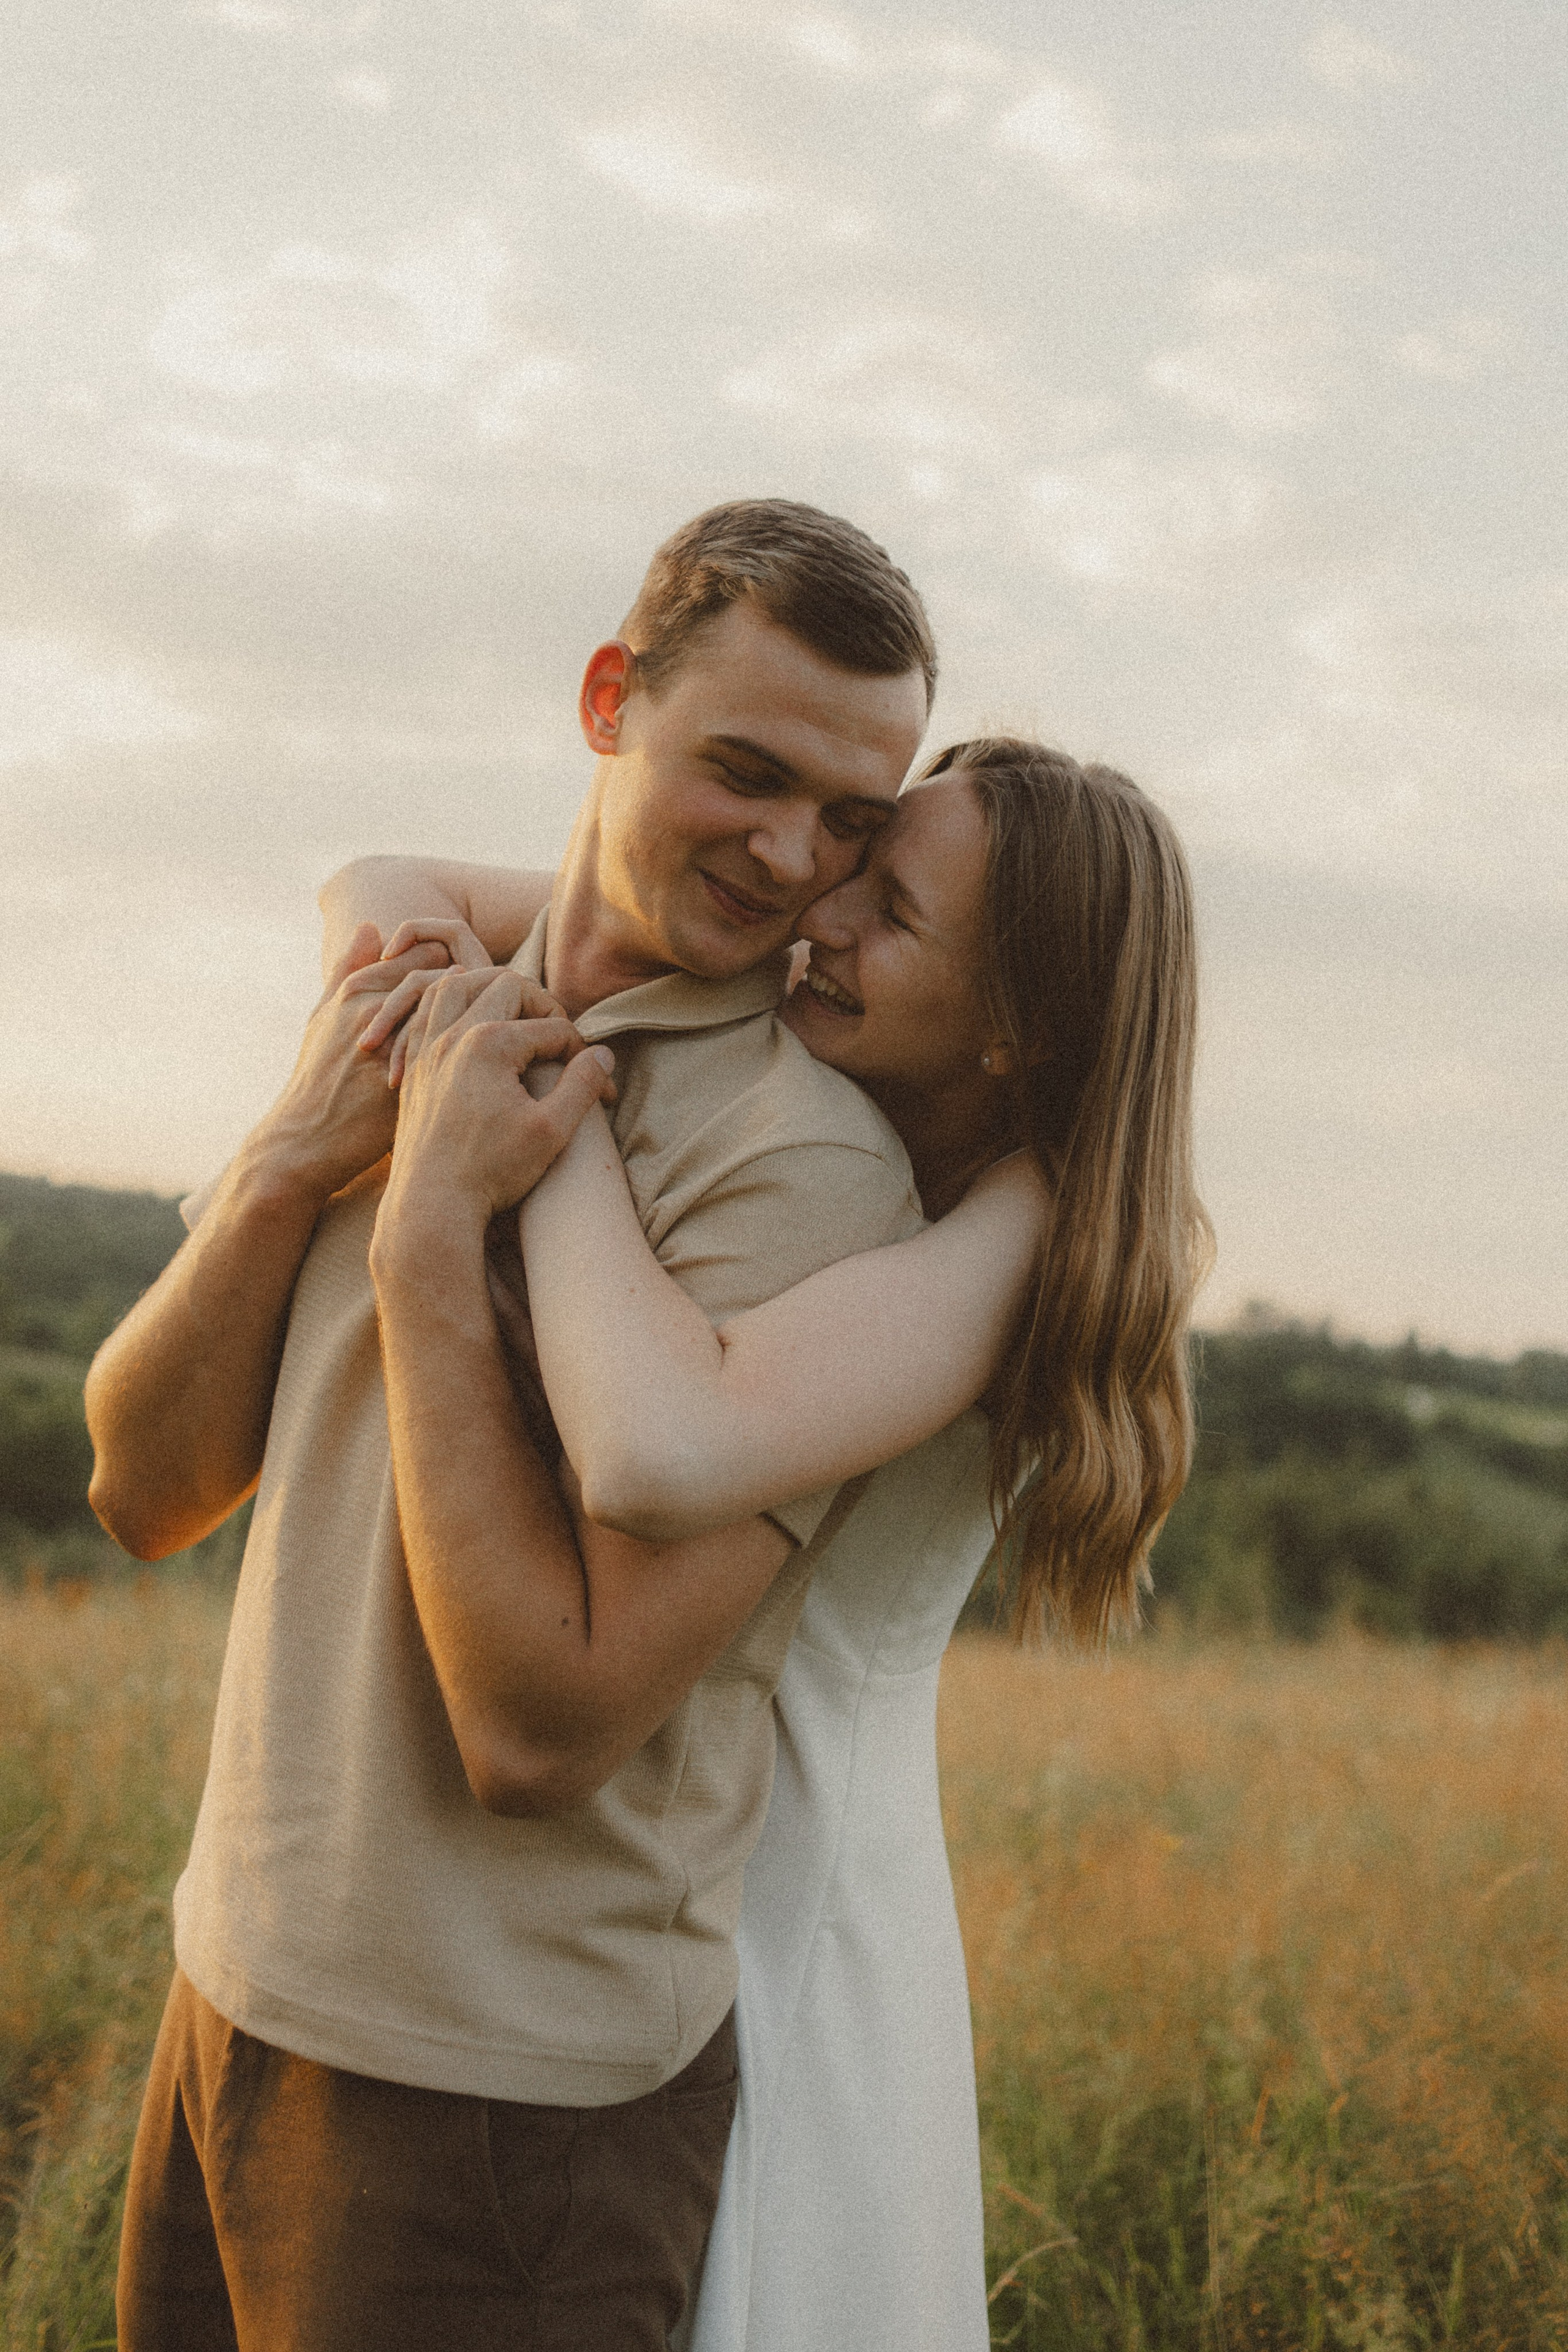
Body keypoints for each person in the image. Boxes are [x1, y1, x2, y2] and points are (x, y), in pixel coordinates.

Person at [85, 499, 958, 2351]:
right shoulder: (412, 1006)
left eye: (853, 821)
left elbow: (547, 1731)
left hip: (503, 2114)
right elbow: (144, 1487)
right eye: (745, 769)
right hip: (229, 1986)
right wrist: (286, 1174)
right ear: (605, 702)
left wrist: (427, 1227)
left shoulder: (800, 1170)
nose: (791, 853)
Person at [336, 734, 1211, 2349]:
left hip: (786, 1895)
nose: (821, 909)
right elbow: (387, 881)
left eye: (892, 905)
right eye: (851, 864)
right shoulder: (870, 1127)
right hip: (674, 1844)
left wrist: (553, 1105)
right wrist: (419, 980)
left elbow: (664, 1445)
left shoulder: (1014, 1234)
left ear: (1017, 1024)